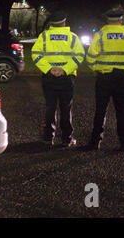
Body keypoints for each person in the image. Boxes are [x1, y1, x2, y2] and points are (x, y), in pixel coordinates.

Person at [86, 10, 124, 151]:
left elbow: (90, 58)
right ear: (121, 20)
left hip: (103, 78)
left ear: (107, 20)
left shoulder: (100, 34)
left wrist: (97, 70)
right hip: (121, 78)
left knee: (100, 110)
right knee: (122, 111)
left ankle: (95, 142)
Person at [31, 11, 85, 147]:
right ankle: (67, 139)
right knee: (66, 108)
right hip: (67, 78)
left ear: (51, 24)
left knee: (50, 107)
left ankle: (48, 138)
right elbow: (79, 56)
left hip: (49, 77)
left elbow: (35, 54)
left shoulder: (44, 37)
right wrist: (64, 69)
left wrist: (49, 68)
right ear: (64, 22)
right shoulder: (72, 37)